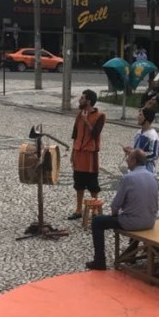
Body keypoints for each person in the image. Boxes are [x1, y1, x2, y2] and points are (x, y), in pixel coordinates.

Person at [86, 150, 159, 270]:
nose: (126, 160)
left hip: (133, 222)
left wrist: (115, 214)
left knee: (97, 222)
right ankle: (131, 254)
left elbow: (115, 205)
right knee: (136, 213)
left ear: (134, 161)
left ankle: (99, 260)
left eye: (128, 158)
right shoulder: (153, 177)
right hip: (150, 221)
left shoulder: (128, 178)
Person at [69, 89, 106, 221]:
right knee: (78, 183)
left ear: (89, 101)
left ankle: (95, 210)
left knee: (93, 184)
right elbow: (75, 135)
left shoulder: (100, 116)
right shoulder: (79, 115)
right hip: (79, 153)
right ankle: (78, 209)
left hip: (90, 155)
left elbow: (95, 134)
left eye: (82, 98)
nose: (80, 100)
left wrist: (86, 121)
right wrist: (73, 153)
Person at [123, 107, 159, 173]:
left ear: (146, 118)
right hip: (135, 168)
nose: (137, 117)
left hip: (146, 170)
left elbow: (154, 154)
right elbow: (135, 148)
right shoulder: (139, 132)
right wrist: (130, 150)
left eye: (140, 115)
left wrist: (135, 153)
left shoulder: (152, 136)